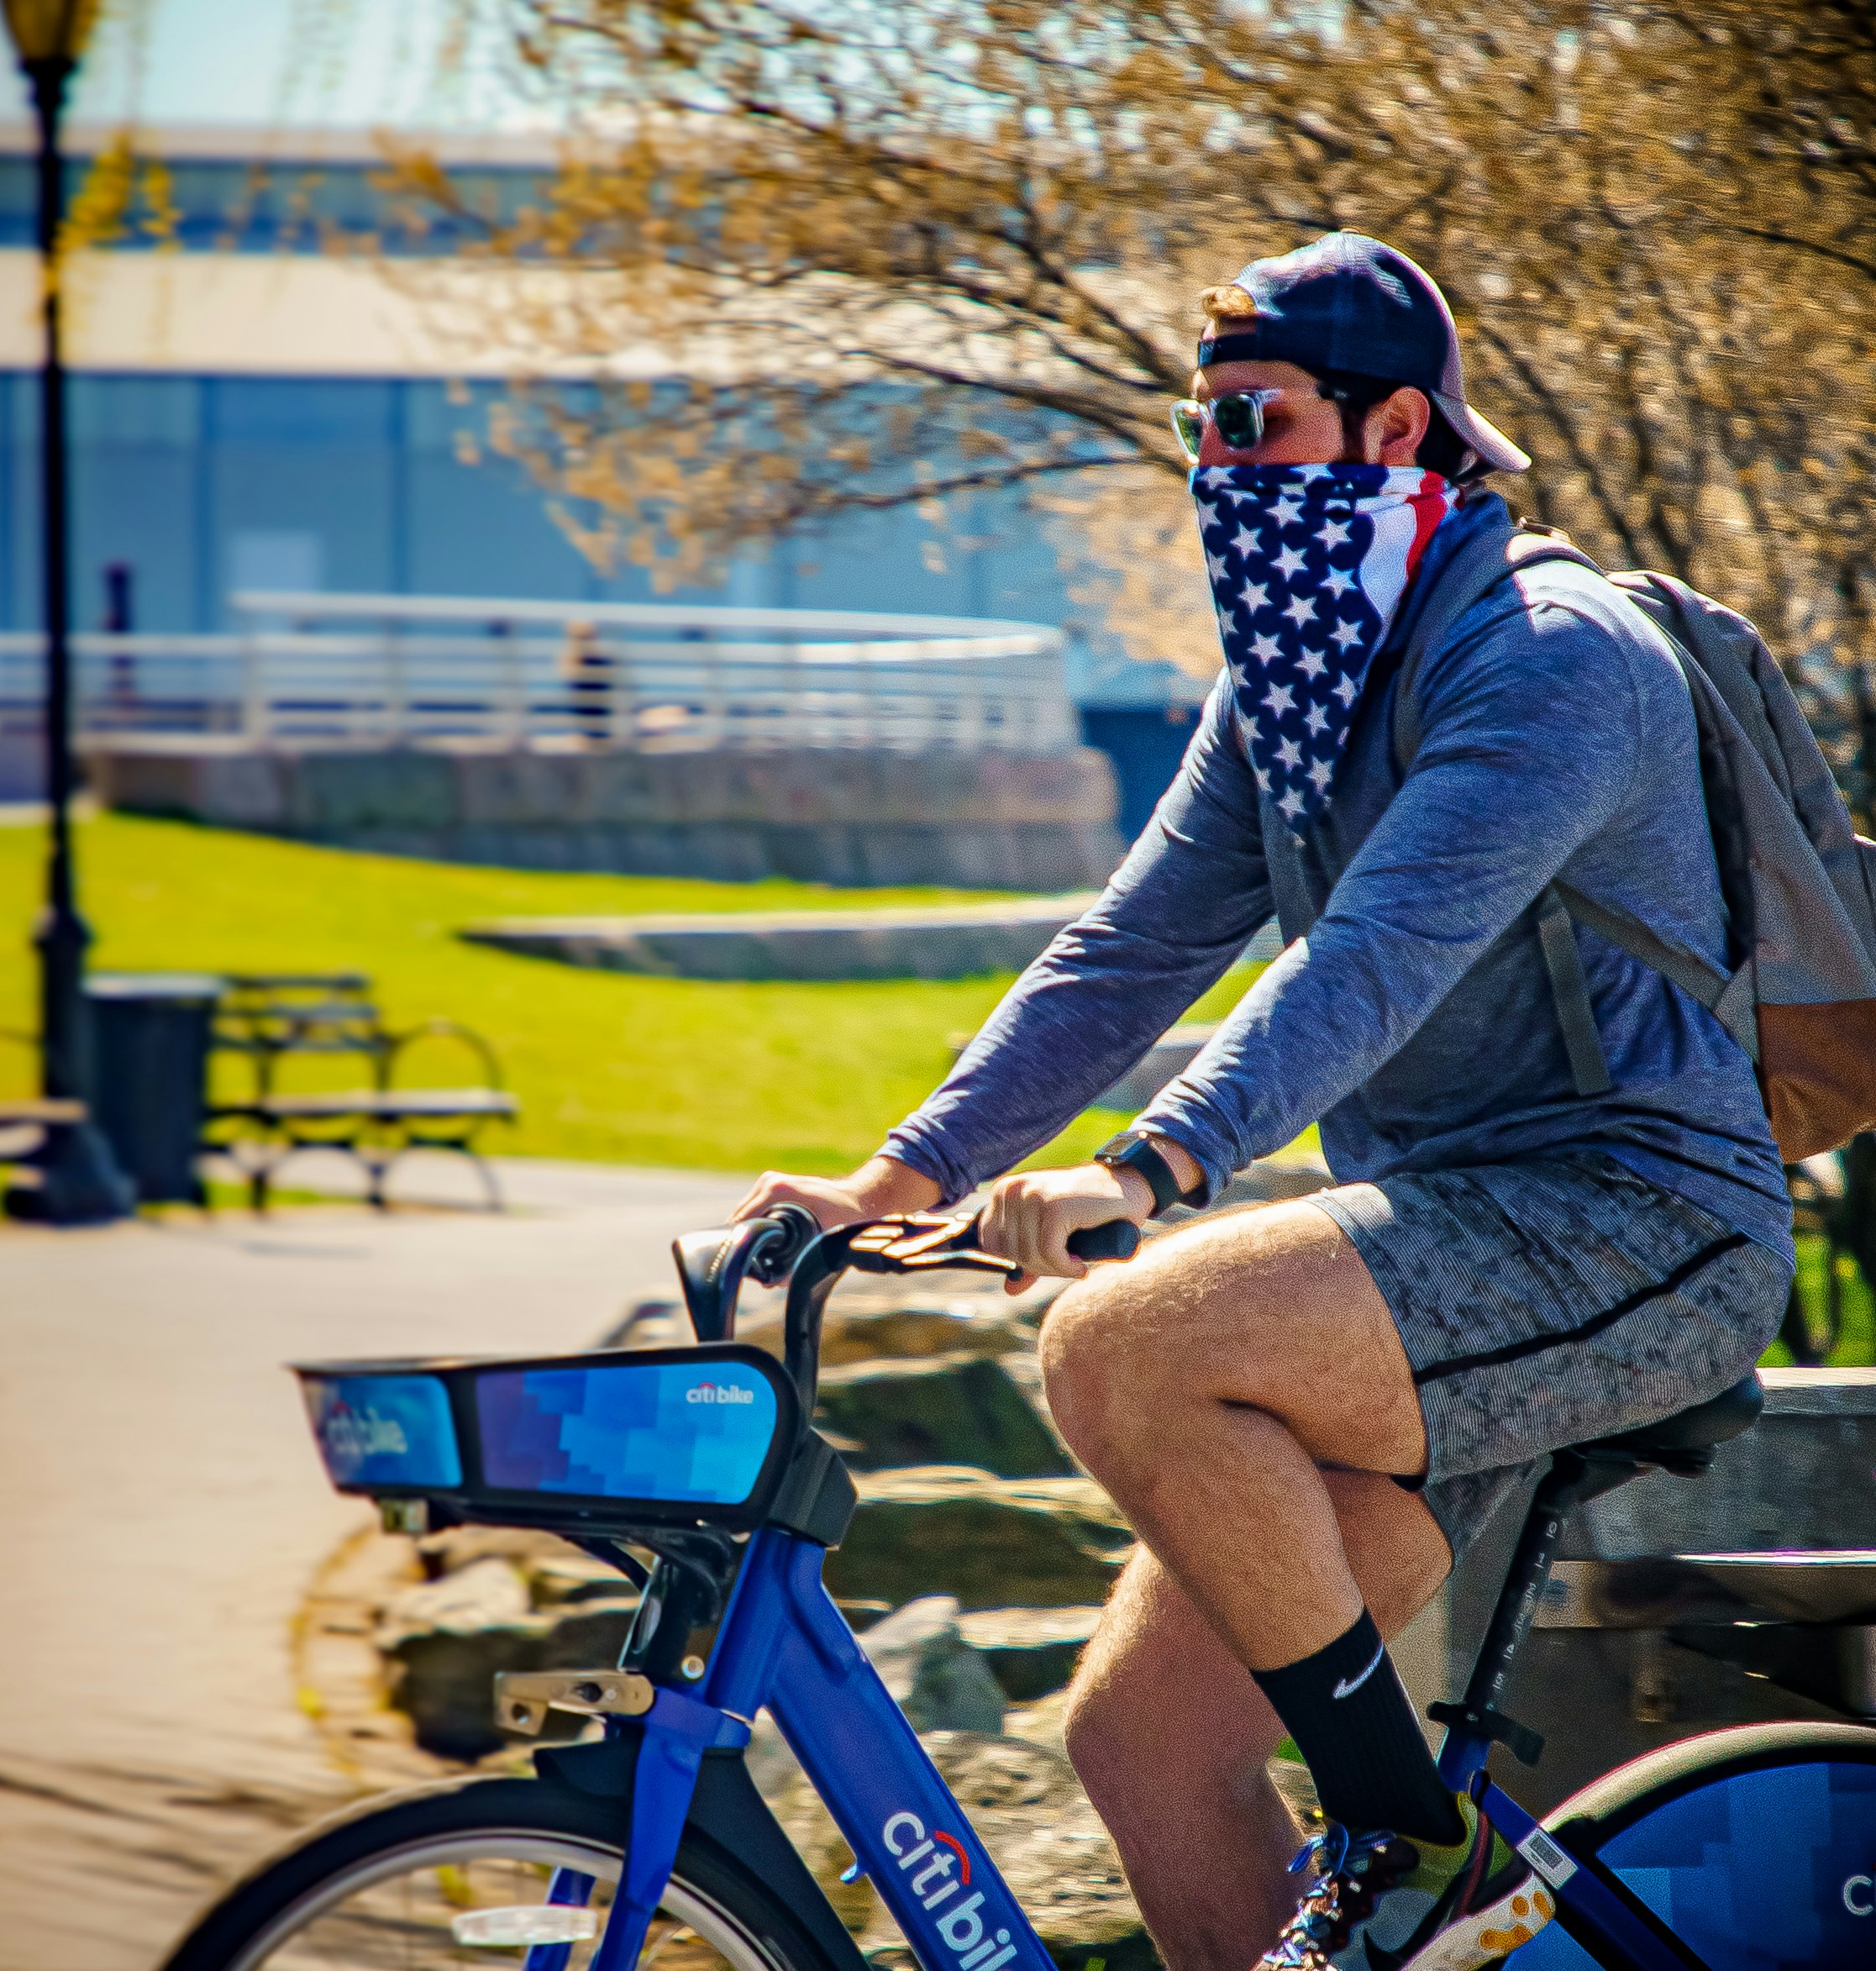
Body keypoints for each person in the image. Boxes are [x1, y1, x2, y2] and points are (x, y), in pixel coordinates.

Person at [734, 232, 1793, 1969]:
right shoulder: (1300, 679)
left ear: (1396, 434)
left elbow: (1370, 957)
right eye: (1200, 428)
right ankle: (1399, 1864)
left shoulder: (1555, 659)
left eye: (1258, 425)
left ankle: (1412, 1839)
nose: (1218, 470)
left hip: (1638, 1226)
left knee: (1125, 1339)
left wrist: (1156, 1167)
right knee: (1142, 1747)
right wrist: (900, 1171)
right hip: (1436, 1258)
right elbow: (1134, 942)